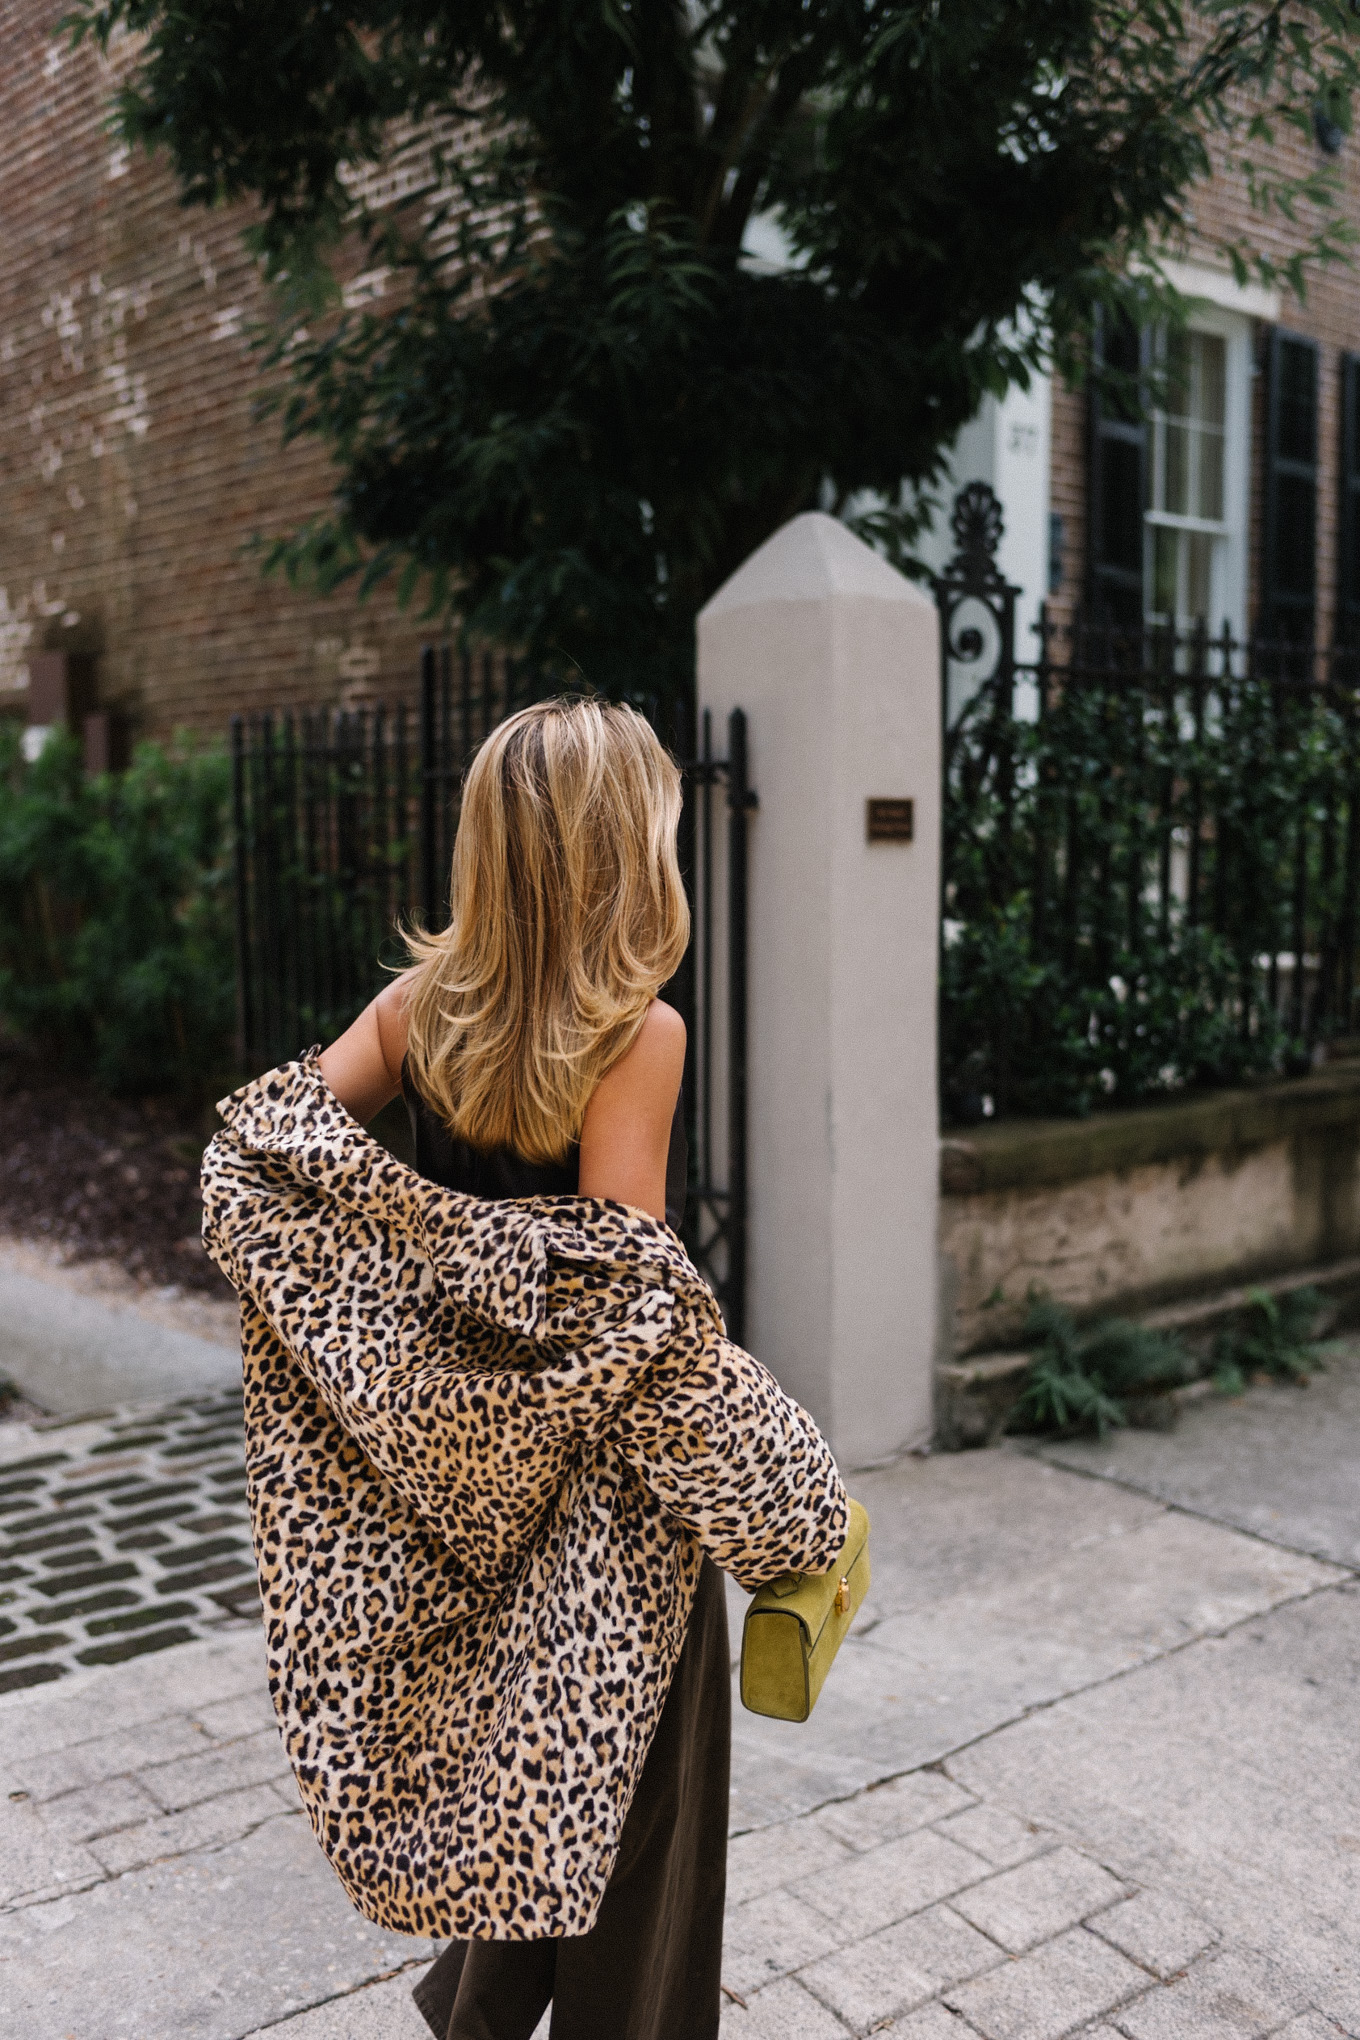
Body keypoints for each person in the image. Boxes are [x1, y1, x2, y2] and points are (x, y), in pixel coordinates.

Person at [316, 697, 732, 2040]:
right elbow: (619, 1309)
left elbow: (272, 1148)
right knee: (648, 1821)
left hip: (472, 1497)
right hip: (611, 1514)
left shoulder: (419, 1011)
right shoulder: (635, 1035)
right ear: (621, 851)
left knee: (526, 1776)